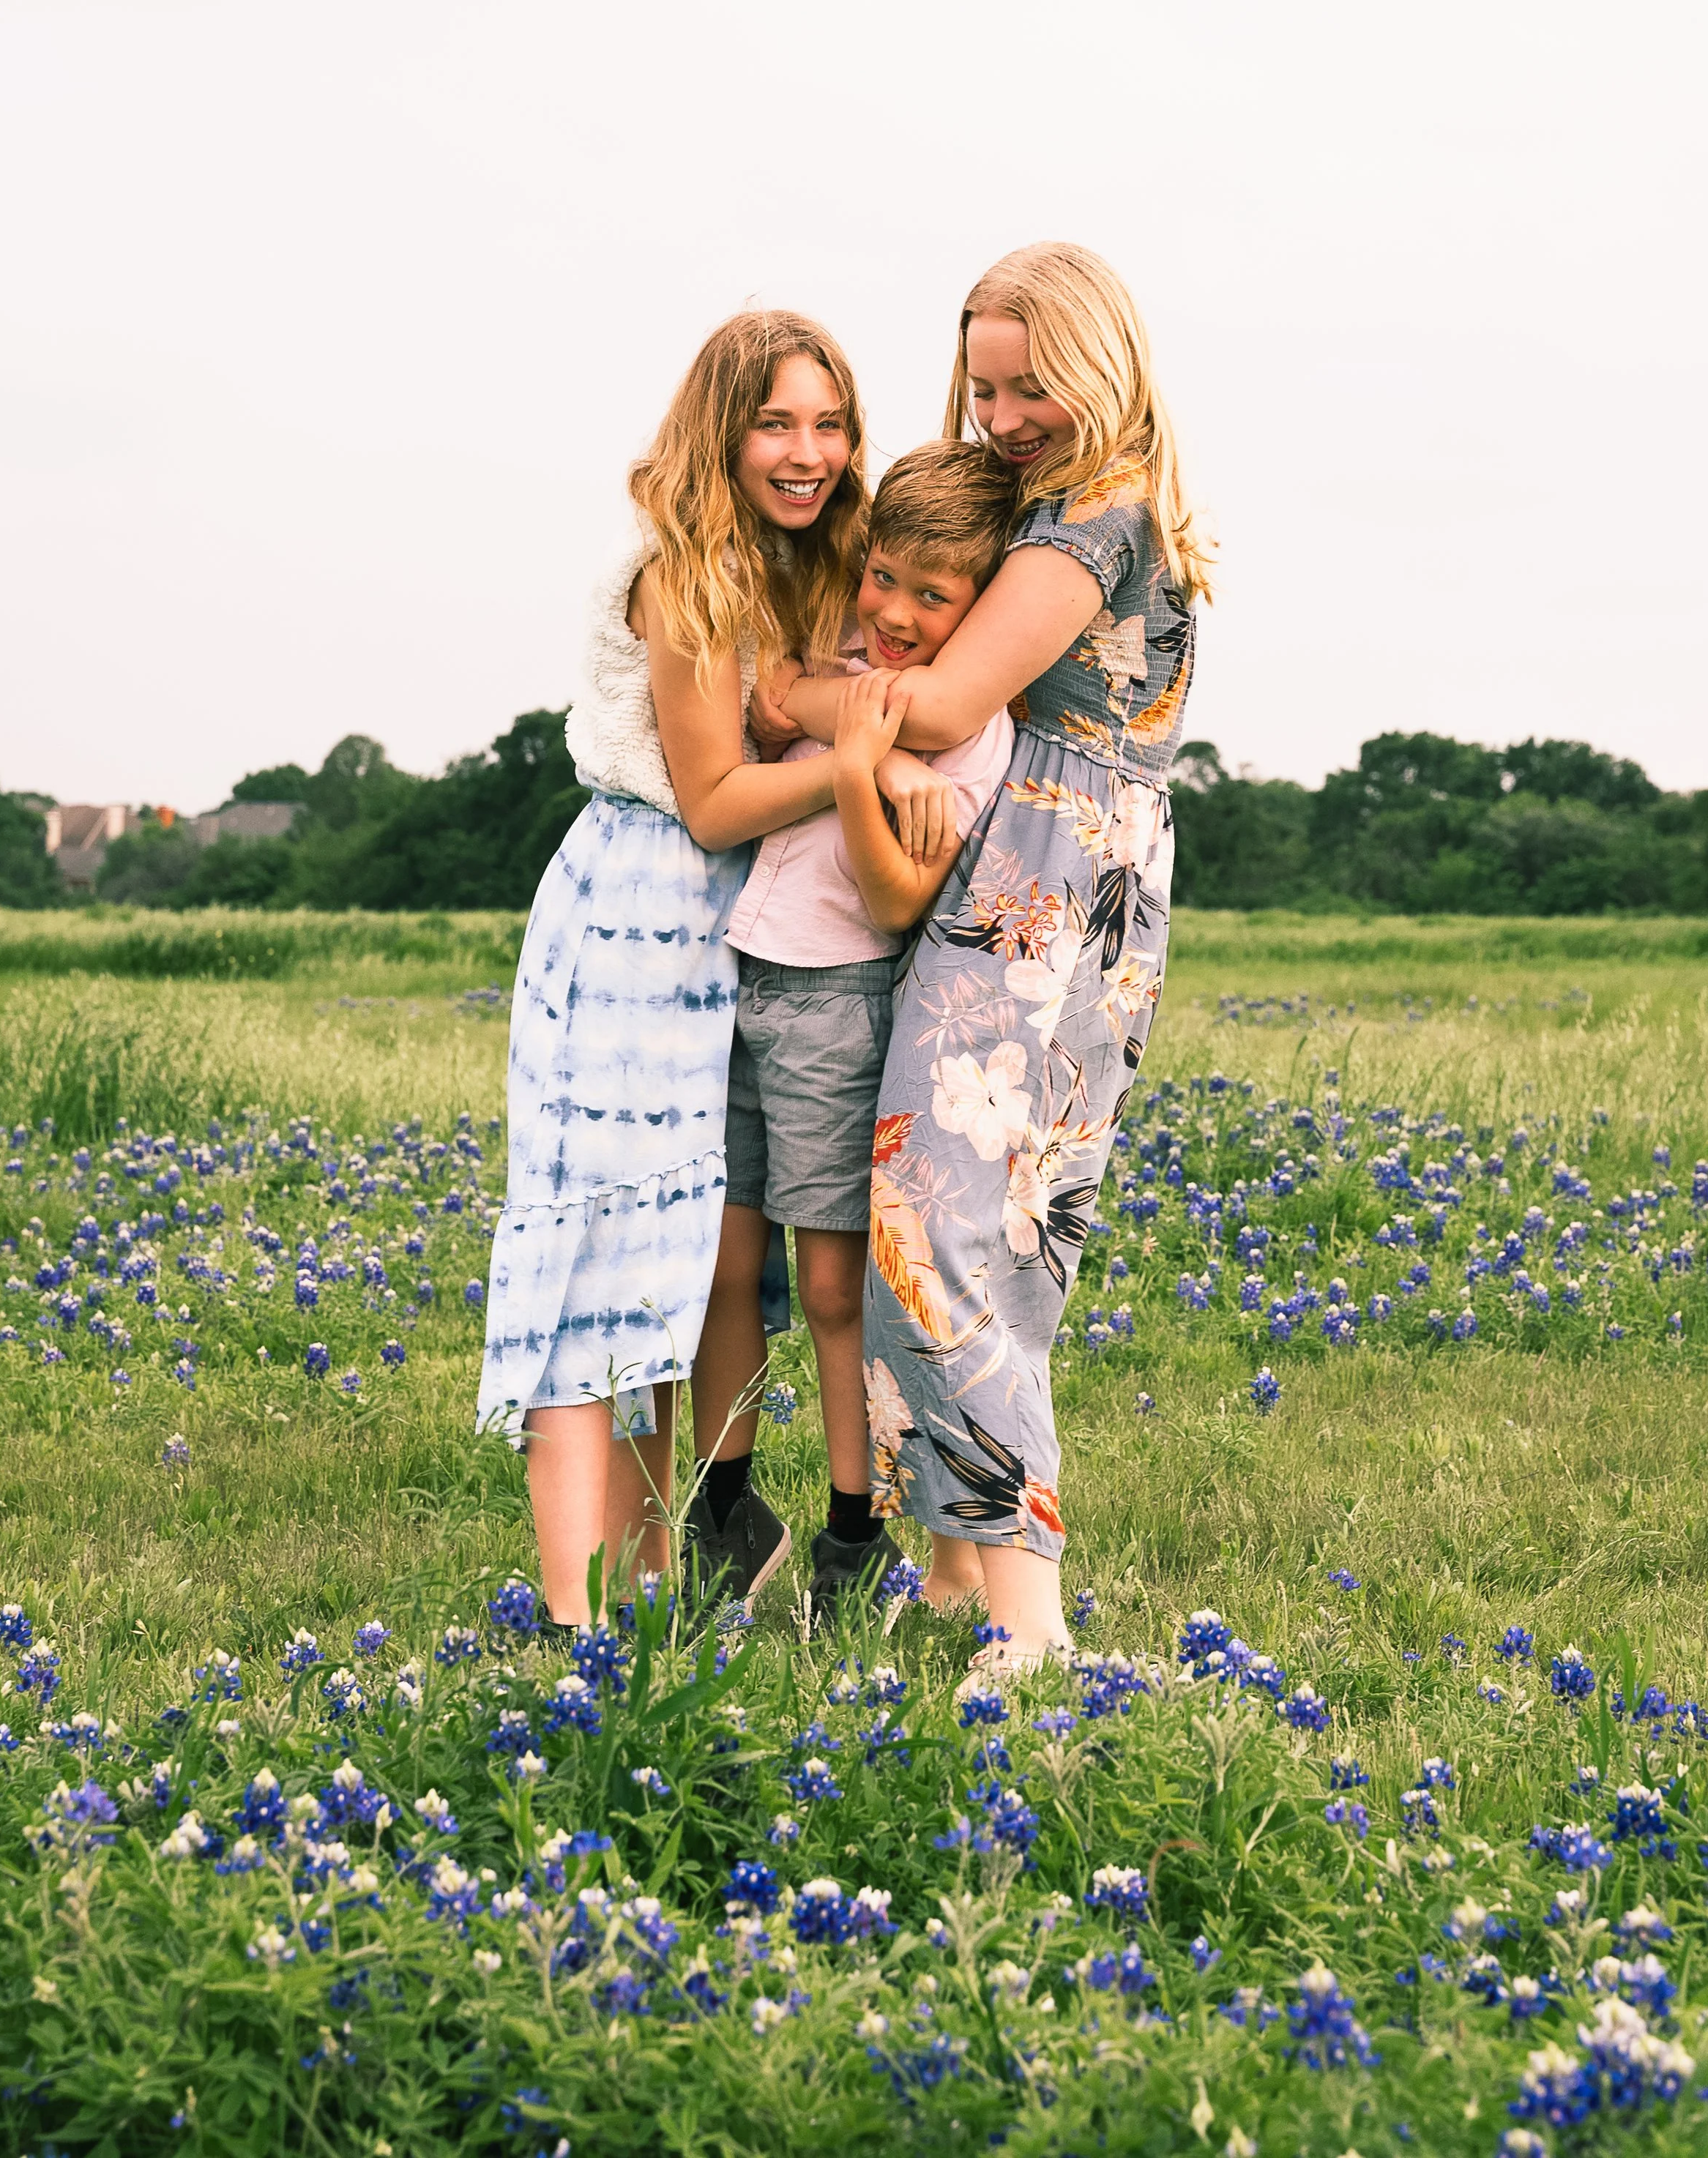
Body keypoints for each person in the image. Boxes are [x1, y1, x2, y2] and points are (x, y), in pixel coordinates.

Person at [753, 244, 1212, 1669]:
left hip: (1035, 883)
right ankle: (957, 1577)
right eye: (982, 383)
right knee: (999, 1229)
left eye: (1028, 384)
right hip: (1094, 878)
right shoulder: (1088, 501)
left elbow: (945, 705)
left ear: (1095, 364)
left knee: (939, 1224)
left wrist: (781, 687)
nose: (1000, 414)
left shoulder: (1092, 523)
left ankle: (1027, 1619)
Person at [476, 309, 955, 1631]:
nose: (807, 452)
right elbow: (711, 798)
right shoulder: (680, 573)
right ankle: (586, 1631)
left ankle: (655, 1595)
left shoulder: (793, 563)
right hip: (639, 917)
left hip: (731, 941)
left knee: (680, 1268)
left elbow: (804, 686)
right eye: (775, 423)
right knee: (602, 1264)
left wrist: (859, 727)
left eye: (829, 423)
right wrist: (869, 764)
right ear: (721, 430)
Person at [693, 440, 1017, 1624]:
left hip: (840, 1001)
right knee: (728, 1262)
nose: (896, 611)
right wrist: (859, 751)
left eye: (937, 600)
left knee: (831, 1287)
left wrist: (860, 775)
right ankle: (725, 1510)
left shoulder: (971, 737)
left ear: (981, 614)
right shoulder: (847, 661)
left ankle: (851, 1533)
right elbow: (774, 691)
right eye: (886, 578)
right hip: (741, 979)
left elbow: (891, 905)